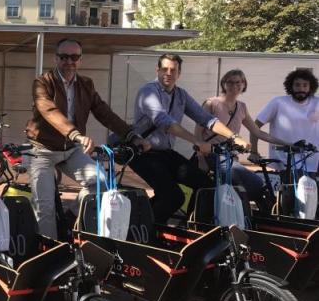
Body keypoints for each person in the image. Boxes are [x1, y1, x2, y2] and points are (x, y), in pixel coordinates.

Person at [25, 39, 151, 239]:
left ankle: (69, 216)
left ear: (80, 60)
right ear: (56, 58)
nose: (69, 61)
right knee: (45, 207)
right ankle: (49, 251)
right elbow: (48, 110)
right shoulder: (42, 82)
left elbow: (104, 113)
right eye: (64, 57)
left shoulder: (86, 84)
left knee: (102, 184)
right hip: (43, 151)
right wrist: (76, 134)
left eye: (74, 57)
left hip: (71, 150)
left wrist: (131, 135)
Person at [130, 54, 250, 224]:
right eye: (164, 69)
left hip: (165, 153)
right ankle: (144, 229)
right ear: (157, 70)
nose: (168, 73)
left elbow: (206, 119)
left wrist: (234, 137)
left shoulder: (181, 95)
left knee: (206, 186)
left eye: (173, 70)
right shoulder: (148, 91)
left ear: (179, 73)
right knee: (173, 196)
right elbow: (164, 122)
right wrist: (198, 142)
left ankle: (190, 227)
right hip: (143, 153)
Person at [194, 70, 290, 209]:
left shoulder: (241, 107)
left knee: (256, 187)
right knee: (253, 183)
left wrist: (287, 144)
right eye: (230, 82)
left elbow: (257, 132)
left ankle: (261, 219)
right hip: (211, 155)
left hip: (230, 158)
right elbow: (198, 133)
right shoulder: (211, 103)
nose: (235, 85)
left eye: (238, 82)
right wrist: (200, 158)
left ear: (244, 84)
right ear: (223, 84)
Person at [251, 69, 319, 174]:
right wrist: (254, 152)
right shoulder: (278, 102)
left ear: (311, 87)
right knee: (289, 190)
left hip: (313, 163)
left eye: (305, 85)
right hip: (285, 163)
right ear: (291, 86)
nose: (301, 88)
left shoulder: (317, 103)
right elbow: (254, 127)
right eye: (297, 85)